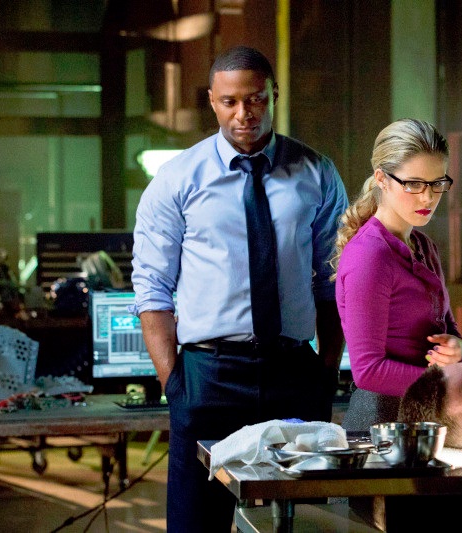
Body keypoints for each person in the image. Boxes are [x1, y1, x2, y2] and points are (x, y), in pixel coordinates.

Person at [130, 45, 348, 532]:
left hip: (294, 372)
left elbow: (333, 279)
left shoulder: (317, 172)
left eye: (255, 99)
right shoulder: (177, 179)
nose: (243, 113)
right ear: (212, 101)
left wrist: (325, 371)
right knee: (197, 525)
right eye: (229, 101)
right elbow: (152, 288)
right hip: (209, 375)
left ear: (274, 94)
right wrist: (175, 386)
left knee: (306, 524)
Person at [331, 118, 462, 433]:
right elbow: (368, 371)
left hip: (425, 414)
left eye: (437, 183)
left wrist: (458, 349)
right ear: (382, 178)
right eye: (414, 184)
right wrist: (448, 383)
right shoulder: (370, 255)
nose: (428, 197)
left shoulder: (423, 245)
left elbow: (448, 327)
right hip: (380, 421)